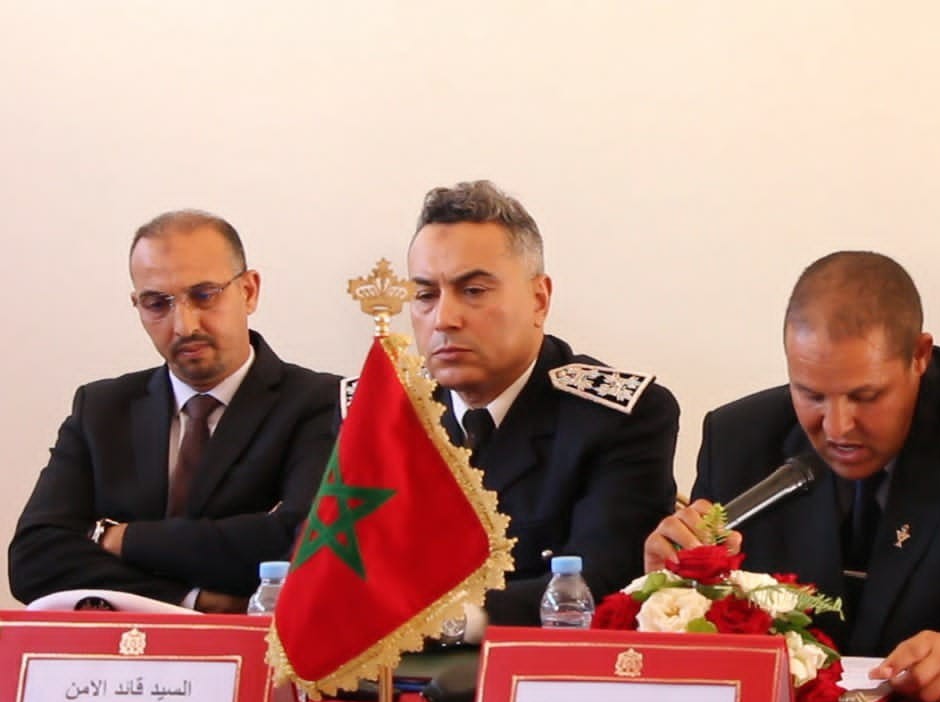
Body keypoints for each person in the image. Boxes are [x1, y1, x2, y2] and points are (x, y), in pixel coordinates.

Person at [645, 251, 940, 702]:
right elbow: (712, 636)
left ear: (919, 356)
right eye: (811, 395)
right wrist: (665, 588)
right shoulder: (739, 438)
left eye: (866, 396)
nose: (838, 427)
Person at [9, 210, 341, 612]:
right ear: (137, 305)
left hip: (258, 649)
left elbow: (301, 544)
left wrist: (120, 538)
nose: (184, 325)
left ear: (249, 291)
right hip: (123, 650)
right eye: (157, 303)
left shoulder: (323, 402)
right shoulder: (100, 409)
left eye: (204, 295)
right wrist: (194, 600)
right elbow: (33, 560)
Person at [407, 180, 678, 629]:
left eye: (473, 291)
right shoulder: (381, 414)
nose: (444, 319)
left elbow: (603, 581)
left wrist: (441, 621)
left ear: (539, 300)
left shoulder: (617, 418)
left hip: (538, 664)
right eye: (425, 295)